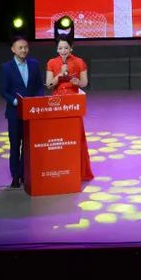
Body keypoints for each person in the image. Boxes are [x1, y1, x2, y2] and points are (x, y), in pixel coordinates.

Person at [45, 38, 94, 182]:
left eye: (66, 48)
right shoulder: (51, 62)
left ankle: (78, 170)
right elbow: (49, 84)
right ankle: (60, 168)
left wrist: (77, 82)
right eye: (60, 48)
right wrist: (60, 74)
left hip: (73, 101)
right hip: (57, 102)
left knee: (75, 136)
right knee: (59, 136)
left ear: (71, 48)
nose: (63, 51)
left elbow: (84, 83)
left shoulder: (79, 62)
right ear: (57, 49)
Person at [0, 35, 44, 189]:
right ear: (13, 49)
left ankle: (25, 173)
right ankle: (15, 176)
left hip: (31, 112)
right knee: (15, 145)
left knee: (28, 145)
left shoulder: (34, 64)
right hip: (14, 113)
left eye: (26, 47)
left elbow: (39, 86)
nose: (24, 50)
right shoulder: (6, 67)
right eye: (20, 48)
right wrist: (15, 101)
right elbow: (3, 91)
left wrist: (38, 99)